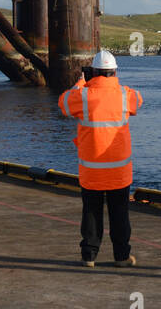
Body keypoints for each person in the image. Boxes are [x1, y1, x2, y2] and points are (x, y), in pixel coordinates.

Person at [58, 49, 144, 267]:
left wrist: (80, 83)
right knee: (120, 214)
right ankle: (122, 256)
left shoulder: (83, 95)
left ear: (93, 72)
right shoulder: (126, 95)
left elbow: (63, 103)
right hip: (119, 170)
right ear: (114, 72)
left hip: (92, 170)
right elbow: (138, 101)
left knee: (91, 212)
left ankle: (89, 256)